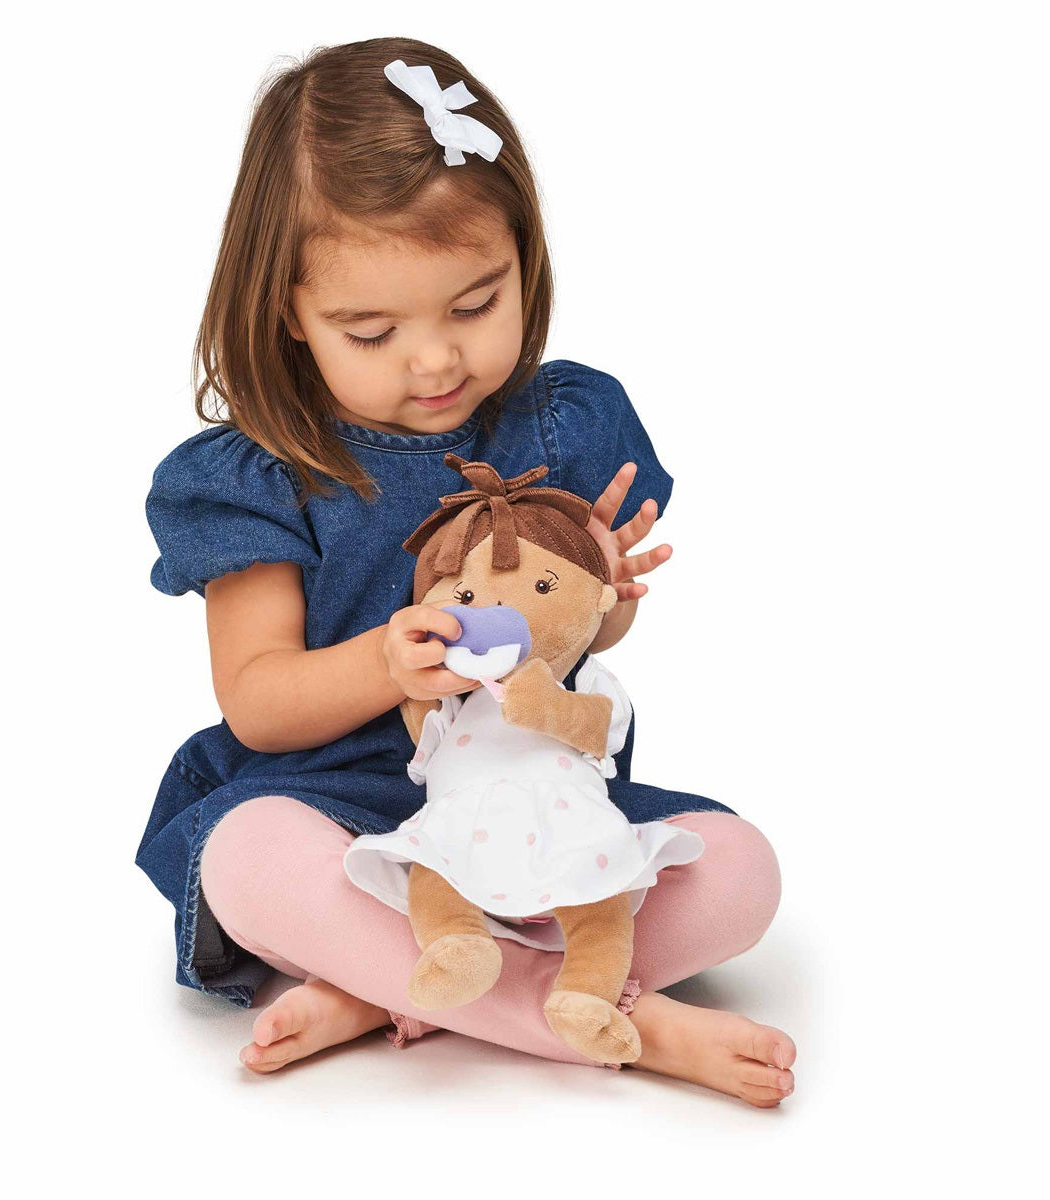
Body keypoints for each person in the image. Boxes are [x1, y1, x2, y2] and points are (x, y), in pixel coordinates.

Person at [139, 37, 796, 1107]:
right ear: (287, 314)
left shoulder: (562, 422)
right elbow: (257, 701)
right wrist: (384, 663)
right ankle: (606, 1022)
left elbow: (571, 642)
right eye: (371, 331)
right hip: (340, 804)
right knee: (247, 856)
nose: (437, 360)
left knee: (742, 872)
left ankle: (387, 986)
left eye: (476, 305)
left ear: (524, 261)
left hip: (533, 796)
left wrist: (605, 601)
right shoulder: (260, 474)